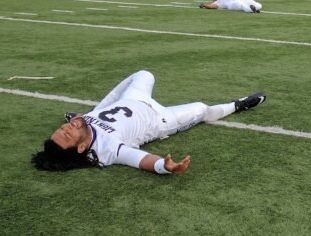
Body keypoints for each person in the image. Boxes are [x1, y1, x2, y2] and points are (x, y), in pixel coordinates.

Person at [32, 70, 266, 175]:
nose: (67, 127)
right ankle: (238, 105)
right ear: (81, 147)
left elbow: (76, 123)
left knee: (144, 74)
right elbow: (139, 159)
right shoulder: (108, 149)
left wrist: (91, 115)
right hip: (160, 118)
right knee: (202, 109)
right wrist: (164, 166)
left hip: (133, 99)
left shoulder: (81, 124)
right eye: (67, 134)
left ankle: (95, 109)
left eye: (62, 128)